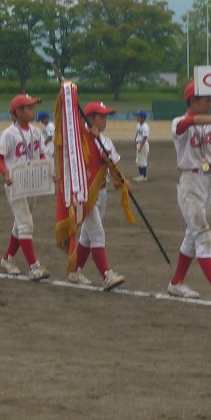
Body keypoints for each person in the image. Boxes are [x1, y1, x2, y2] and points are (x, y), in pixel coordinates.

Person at [165, 80, 211, 303]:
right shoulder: (179, 122)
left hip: (208, 181)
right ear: (193, 101)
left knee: (193, 234)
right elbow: (190, 122)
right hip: (190, 181)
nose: (210, 103)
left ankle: (176, 283)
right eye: (206, 99)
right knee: (202, 233)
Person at [68, 101, 127, 290]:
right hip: (86, 194)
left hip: (102, 191)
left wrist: (122, 180)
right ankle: (106, 275)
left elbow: (112, 162)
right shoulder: (80, 141)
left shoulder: (105, 140)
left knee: (87, 236)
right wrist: (93, 141)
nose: (105, 121)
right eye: (101, 117)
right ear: (90, 118)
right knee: (97, 233)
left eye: (105, 117)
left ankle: (75, 271)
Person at [0, 94, 52, 281]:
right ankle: (33, 267)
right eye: (29, 108)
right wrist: (5, 174)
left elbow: (41, 154)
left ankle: (7, 259)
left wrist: (48, 171)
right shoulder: (9, 133)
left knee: (20, 224)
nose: (33, 111)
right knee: (26, 223)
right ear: (18, 112)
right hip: (15, 183)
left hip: (31, 181)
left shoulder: (36, 131)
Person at [133, 110, 150, 182]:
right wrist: (135, 142)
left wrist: (141, 147)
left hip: (143, 144)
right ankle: (140, 175)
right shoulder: (139, 125)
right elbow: (137, 134)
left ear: (142, 117)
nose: (137, 117)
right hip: (139, 143)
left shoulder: (145, 127)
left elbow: (145, 137)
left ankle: (143, 176)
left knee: (142, 160)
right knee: (139, 160)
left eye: (138, 116)